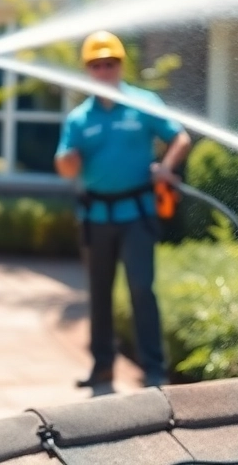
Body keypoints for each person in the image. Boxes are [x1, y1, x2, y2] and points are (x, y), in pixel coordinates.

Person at [55, 31, 192, 389]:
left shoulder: (144, 103)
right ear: (88, 70)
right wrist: (69, 161)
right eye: (97, 65)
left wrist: (167, 167)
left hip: (137, 214)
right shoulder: (79, 119)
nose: (104, 71)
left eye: (110, 64)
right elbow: (65, 167)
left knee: (141, 289)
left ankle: (154, 371)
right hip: (95, 218)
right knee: (99, 294)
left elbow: (180, 137)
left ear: (120, 66)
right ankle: (102, 368)